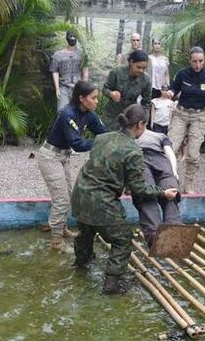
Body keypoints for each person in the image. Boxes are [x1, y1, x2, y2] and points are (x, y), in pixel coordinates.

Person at [72, 104, 179, 294]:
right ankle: (111, 287)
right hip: (102, 202)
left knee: (86, 233)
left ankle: (80, 266)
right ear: (139, 124)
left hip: (80, 195)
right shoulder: (133, 150)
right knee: (122, 240)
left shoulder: (101, 138)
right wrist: (163, 193)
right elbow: (138, 187)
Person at [37, 81, 106, 253]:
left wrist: (118, 136)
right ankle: (56, 242)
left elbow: (103, 132)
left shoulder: (89, 114)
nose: (97, 101)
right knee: (61, 200)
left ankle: (61, 228)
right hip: (50, 157)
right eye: (94, 98)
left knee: (67, 195)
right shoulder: (67, 114)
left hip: (63, 157)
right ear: (82, 98)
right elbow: (78, 144)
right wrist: (100, 142)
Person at [168, 46, 205, 193]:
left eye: (200, 61)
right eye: (194, 61)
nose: (197, 65)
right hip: (181, 114)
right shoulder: (182, 74)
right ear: (190, 61)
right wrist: (170, 92)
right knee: (170, 148)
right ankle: (168, 181)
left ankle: (188, 185)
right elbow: (174, 88)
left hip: (198, 116)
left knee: (193, 153)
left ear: (204, 60)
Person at [132, 128, 182, 247]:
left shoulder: (128, 134)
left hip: (139, 159)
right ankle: (174, 229)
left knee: (147, 198)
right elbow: (170, 153)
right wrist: (174, 172)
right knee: (170, 193)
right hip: (161, 162)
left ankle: (155, 237)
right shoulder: (160, 136)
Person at [103, 49, 152, 131]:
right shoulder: (117, 72)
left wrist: (144, 121)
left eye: (144, 68)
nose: (141, 71)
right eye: (138, 67)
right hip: (111, 115)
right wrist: (111, 94)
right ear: (131, 62)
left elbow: (146, 103)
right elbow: (105, 89)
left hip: (130, 118)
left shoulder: (146, 79)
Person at [50, 30, 89, 112]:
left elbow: (85, 71)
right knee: (62, 112)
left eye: (74, 37)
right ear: (67, 39)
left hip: (77, 88)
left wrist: (84, 87)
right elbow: (55, 71)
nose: (72, 39)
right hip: (63, 87)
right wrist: (57, 88)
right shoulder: (58, 55)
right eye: (70, 37)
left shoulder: (82, 54)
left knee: (78, 112)